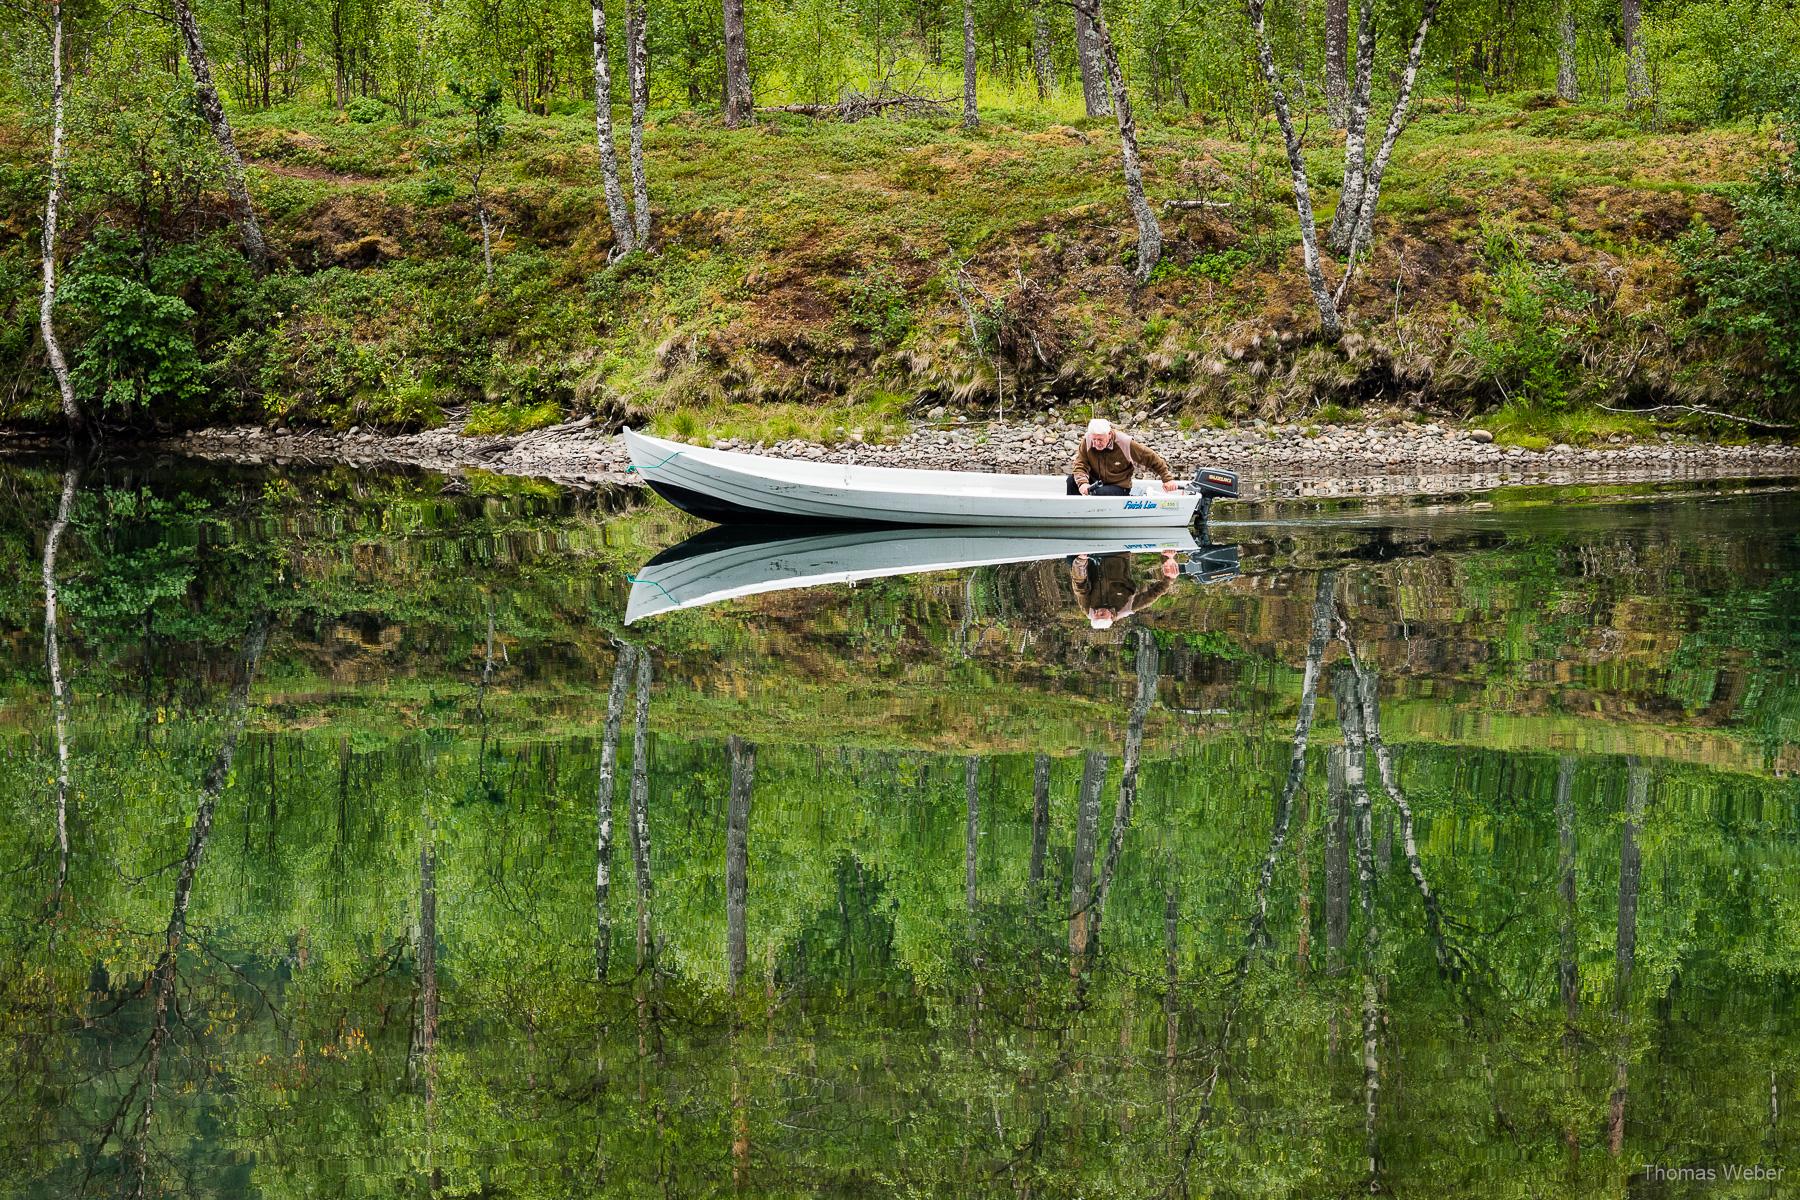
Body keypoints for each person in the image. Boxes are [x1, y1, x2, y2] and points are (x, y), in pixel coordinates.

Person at [1066, 417, 1177, 496]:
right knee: (1071, 481)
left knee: (1098, 493)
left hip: (1119, 485)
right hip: (1096, 481)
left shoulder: (1125, 442)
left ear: (1109, 434)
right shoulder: (1087, 441)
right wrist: (1083, 483)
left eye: (1100, 439)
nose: (1095, 443)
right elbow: (1080, 464)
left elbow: (1151, 457)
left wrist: (1167, 479)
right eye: (1094, 439)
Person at [1072, 550, 1180, 629]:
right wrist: (1169, 578)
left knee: (1071, 560)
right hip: (1118, 555)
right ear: (1111, 616)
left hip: (1090, 556)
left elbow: (1079, 584)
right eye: (1102, 615)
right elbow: (1154, 594)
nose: (1098, 612)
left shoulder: (1088, 609)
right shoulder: (1127, 608)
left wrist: (1080, 562)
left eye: (1095, 615)